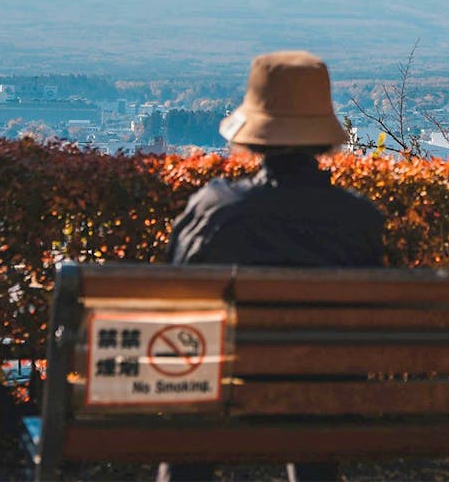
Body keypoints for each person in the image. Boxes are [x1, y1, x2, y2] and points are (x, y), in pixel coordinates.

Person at [159, 50, 384, 482]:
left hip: (215, 391)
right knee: (314, 388)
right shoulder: (359, 220)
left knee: (192, 411)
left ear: (254, 131)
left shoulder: (214, 210)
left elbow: (174, 296)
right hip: (325, 403)